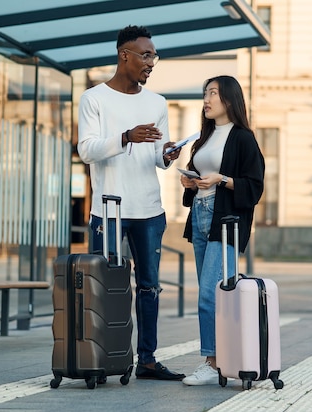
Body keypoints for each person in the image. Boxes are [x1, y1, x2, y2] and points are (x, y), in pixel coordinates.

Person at [77, 25, 185, 381]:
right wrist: (125, 136)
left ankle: (149, 360)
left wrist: (168, 154)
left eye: (154, 56)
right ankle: (102, 358)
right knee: (104, 285)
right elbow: (86, 149)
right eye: (146, 55)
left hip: (149, 211)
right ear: (125, 55)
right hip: (109, 211)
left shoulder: (157, 103)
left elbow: (157, 155)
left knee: (150, 287)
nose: (151, 63)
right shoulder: (94, 99)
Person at [179, 75, 265, 385]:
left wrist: (221, 180)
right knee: (213, 293)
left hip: (226, 223)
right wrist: (190, 182)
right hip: (201, 218)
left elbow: (254, 187)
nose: (207, 99)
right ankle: (220, 358)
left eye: (213, 93)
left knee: (208, 294)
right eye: (205, 93)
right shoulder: (204, 138)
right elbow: (198, 183)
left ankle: (211, 361)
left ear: (229, 99)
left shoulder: (242, 138)